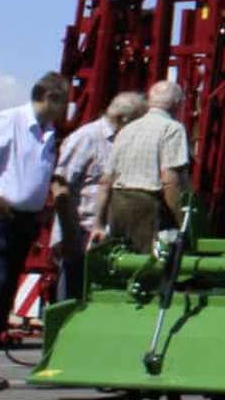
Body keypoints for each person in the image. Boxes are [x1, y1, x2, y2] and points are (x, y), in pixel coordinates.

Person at [0, 76, 70, 391]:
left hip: (25, 220)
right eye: (63, 100)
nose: (66, 108)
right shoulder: (9, 122)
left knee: (6, 290)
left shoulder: (48, 134)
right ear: (48, 97)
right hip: (0, 217)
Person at [50, 88, 142, 302]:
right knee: (73, 300)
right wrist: (68, 237)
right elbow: (61, 185)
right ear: (123, 118)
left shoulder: (123, 141)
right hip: (81, 237)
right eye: (139, 121)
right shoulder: (87, 138)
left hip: (109, 241)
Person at [105, 79, 192, 252]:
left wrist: (100, 223)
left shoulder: (126, 130)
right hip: (147, 207)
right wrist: (181, 221)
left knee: (121, 265)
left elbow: (107, 179)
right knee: (149, 270)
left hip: (117, 205)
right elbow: (169, 181)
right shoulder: (173, 128)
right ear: (177, 104)